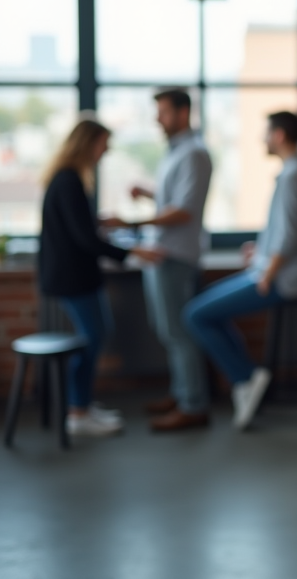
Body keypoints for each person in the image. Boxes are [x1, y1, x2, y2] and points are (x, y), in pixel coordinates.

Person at [184, 111, 297, 430]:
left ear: (279, 136)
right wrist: (260, 252)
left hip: (281, 280)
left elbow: (287, 238)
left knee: (195, 314)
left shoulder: (292, 176)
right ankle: (246, 377)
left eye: (266, 133)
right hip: (276, 270)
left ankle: (245, 378)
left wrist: (267, 272)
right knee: (204, 312)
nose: (262, 139)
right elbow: (290, 231)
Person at [39, 118, 163, 437]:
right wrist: (134, 253)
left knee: (94, 336)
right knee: (91, 339)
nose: (105, 151)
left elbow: (79, 226)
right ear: (89, 143)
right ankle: (78, 412)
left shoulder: (68, 179)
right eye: (103, 144)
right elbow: (85, 239)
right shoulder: (68, 181)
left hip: (75, 276)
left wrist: (99, 223)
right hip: (72, 277)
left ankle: (82, 404)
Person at [104, 89, 213, 433]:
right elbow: (174, 198)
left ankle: (194, 405)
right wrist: (149, 193)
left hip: (175, 257)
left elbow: (183, 211)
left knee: (179, 333)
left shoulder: (194, 153)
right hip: (162, 254)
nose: (157, 119)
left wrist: (130, 222)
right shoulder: (177, 152)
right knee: (168, 331)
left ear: (183, 113)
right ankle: (181, 394)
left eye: (163, 112)